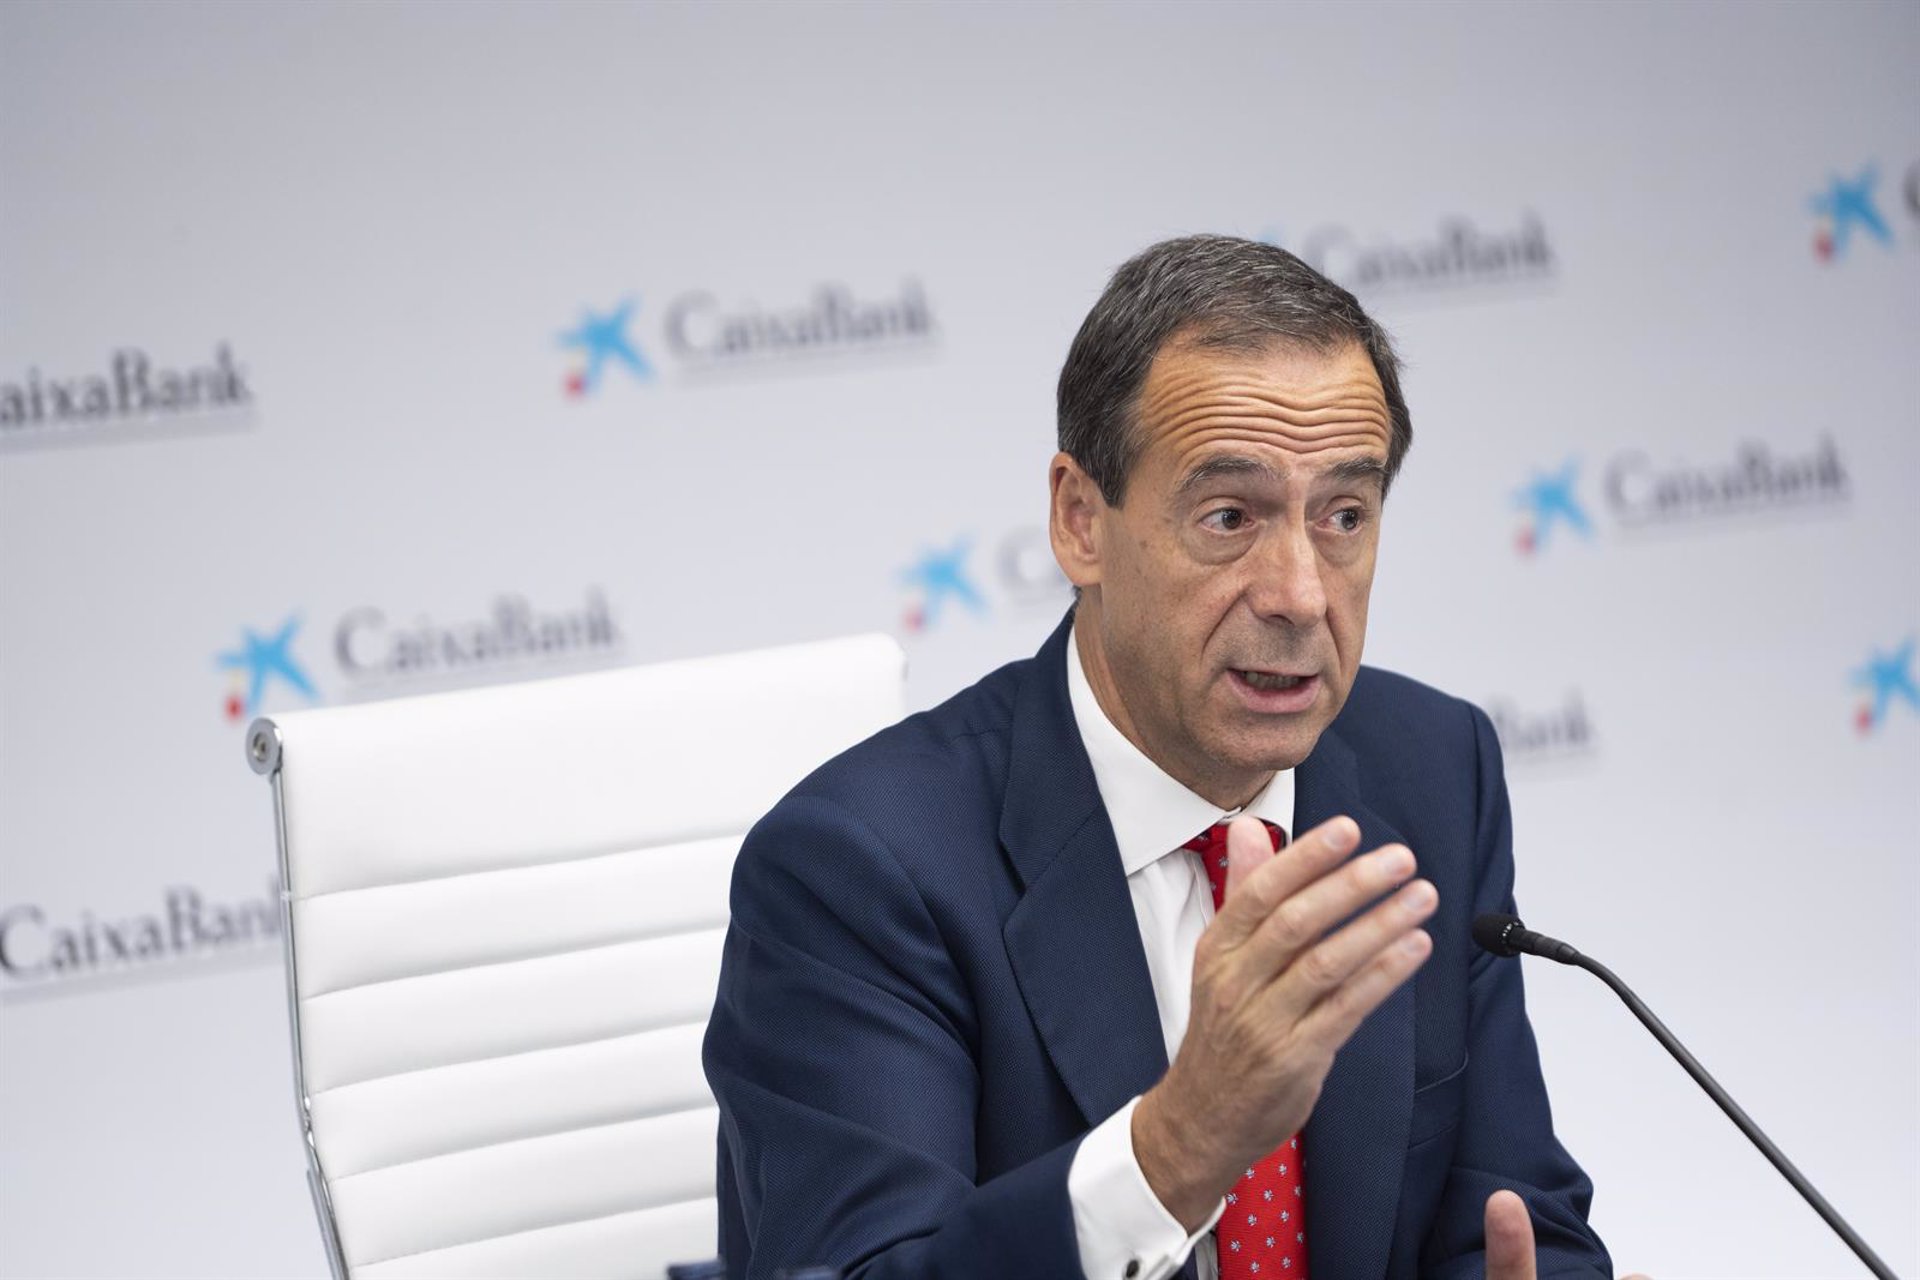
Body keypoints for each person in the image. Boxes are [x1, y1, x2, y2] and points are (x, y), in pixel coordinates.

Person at [703, 235, 1614, 1280]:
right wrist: (1179, 1146)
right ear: (1080, 523)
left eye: (1343, 517)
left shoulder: (1435, 770)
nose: (1300, 594)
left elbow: (1513, 1215)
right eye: (1230, 516)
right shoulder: (858, 867)